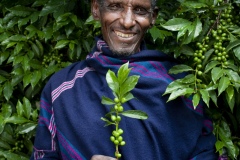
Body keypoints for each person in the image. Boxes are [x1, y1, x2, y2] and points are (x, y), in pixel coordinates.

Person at [31, 0, 218, 159]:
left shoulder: (181, 85)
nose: (127, 22)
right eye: (115, 6)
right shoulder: (62, 88)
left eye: (140, 10)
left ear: (153, 17)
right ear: (96, 9)